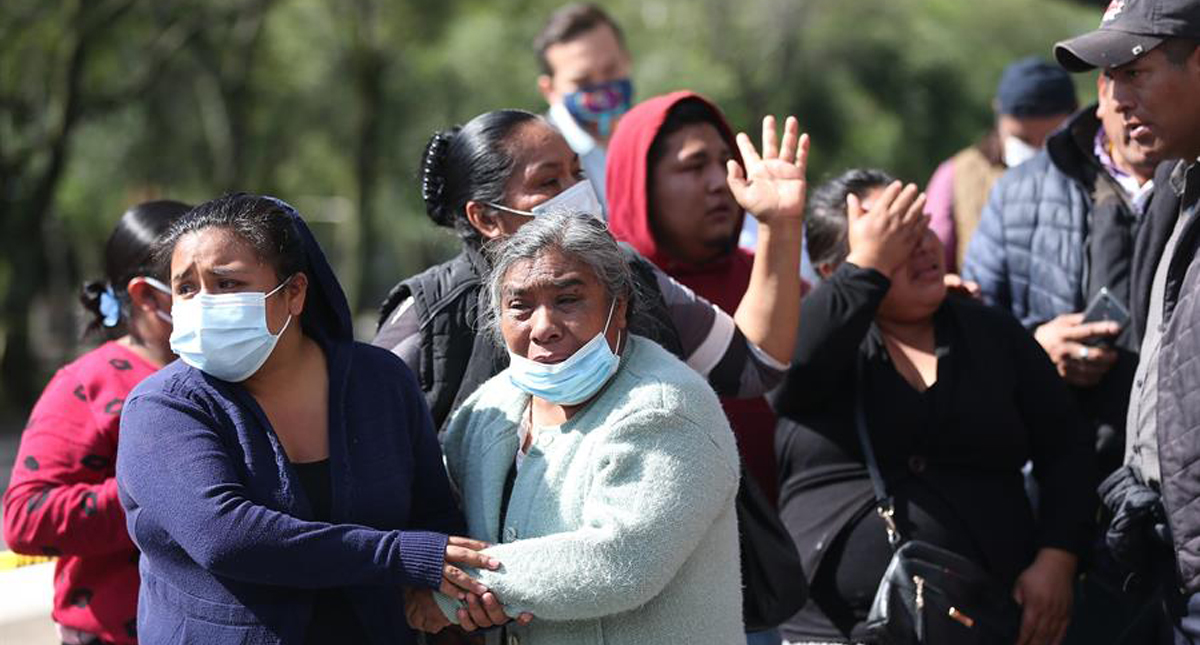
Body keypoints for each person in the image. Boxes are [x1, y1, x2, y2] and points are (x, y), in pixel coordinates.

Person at [115, 194, 485, 644]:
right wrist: (401, 556)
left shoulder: (380, 382)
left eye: (226, 283)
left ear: (294, 293)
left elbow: (433, 512)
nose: (202, 303)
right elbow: (226, 537)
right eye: (186, 288)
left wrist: (436, 592)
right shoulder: (162, 408)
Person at [773, 170, 1094, 645]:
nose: (922, 245)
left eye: (922, 225)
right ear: (833, 269)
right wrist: (866, 272)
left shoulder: (992, 334)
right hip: (834, 628)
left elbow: (1066, 447)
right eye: (895, 237)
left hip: (986, 618)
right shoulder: (821, 339)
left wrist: (1058, 559)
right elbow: (786, 375)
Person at [405, 209, 744, 644]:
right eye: (520, 307)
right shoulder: (488, 409)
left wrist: (455, 594)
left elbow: (619, 560)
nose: (543, 327)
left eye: (567, 300)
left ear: (617, 308)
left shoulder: (666, 407)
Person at [373, 108, 805, 436]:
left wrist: (779, 226)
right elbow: (360, 439)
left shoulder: (627, 273)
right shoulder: (430, 314)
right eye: (549, 182)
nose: (576, 193)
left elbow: (754, 365)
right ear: (486, 217)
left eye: (576, 173)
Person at [963, 69, 1164, 644]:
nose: (1133, 104)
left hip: (1177, 504)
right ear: (1099, 92)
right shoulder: (1022, 190)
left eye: (1150, 78)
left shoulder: (1187, 183)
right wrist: (1035, 351)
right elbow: (972, 340)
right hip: (1048, 506)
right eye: (1122, 83)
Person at [1053, 1, 1200, 640]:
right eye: (1108, 77)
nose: (1114, 97)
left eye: (1134, 70)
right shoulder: (1177, 188)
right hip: (1166, 565)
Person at [2, 201, 189, 645]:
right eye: (190, 284)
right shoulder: (87, 384)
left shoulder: (229, 376)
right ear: (146, 295)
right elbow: (26, 519)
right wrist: (156, 494)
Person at [606, 91, 795, 503]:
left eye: (726, 164)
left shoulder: (776, 275)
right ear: (639, 185)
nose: (718, 182)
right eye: (693, 166)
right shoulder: (605, 304)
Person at [926, 56, 1078, 273]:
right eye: (1023, 140)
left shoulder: (1095, 174)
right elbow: (934, 258)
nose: (1036, 152)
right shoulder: (957, 175)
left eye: (1049, 141)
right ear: (997, 110)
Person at [534, 3, 633, 208]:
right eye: (583, 81)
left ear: (627, 60)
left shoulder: (654, 136)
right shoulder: (539, 162)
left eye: (610, 70)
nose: (602, 88)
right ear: (549, 90)